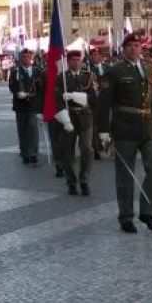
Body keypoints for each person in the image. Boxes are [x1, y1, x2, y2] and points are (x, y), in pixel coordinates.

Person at [96, 33, 152, 233]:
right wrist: (103, 130)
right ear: (124, 49)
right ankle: (126, 217)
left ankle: (148, 212)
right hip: (124, 128)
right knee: (125, 175)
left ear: (141, 48)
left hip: (147, 127)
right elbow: (104, 102)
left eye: (137, 45)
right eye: (130, 45)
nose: (134, 48)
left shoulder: (149, 69)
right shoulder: (114, 70)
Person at [55, 50, 96, 195]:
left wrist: (74, 96)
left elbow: (93, 97)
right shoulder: (61, 78)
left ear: (82, 61)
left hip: (85, 117)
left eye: (78, 60)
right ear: (68, 62)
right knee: (68, 151)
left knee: (87, 149)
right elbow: (57, 99)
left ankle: (84, 180)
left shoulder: (89, 76)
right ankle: (71, 181)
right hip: (69, 117)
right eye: (72, 60)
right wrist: (65, 120)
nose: (75, 62)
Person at [8, 49, 44, 164]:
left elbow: (41, 87)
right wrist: (17, 93)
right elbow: (11, 86)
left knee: (33, 127)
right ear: (20, 58)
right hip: (20, 104)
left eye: (28, 56)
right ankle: (24, 152)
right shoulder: (15, 71)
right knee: (22, 129)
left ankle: (33, 153)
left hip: (33, 103)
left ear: (31, 58)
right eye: (24, 56)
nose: (26, 59)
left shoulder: (37, 71)